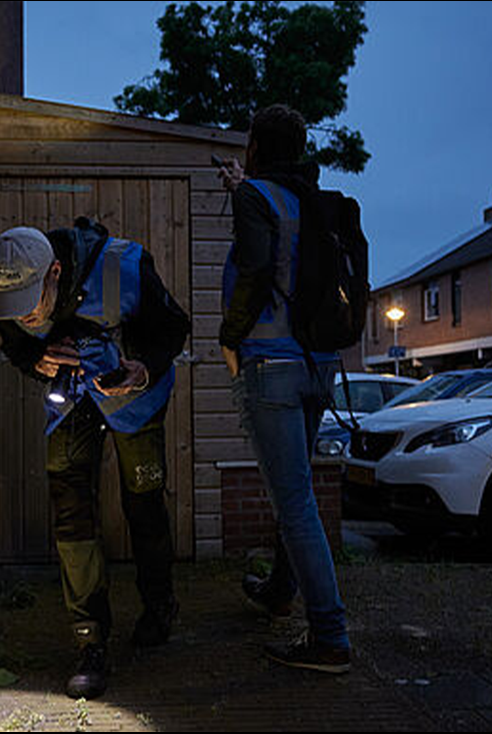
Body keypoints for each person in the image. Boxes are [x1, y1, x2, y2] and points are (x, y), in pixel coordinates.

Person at [0, 219, 190, 699]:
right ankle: (89, 641)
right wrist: (36, 361)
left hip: (135, 400)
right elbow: (15, 345)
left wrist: (141, 369)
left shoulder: (125, 264)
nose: (26, 317)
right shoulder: (10, 281)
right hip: (71, 405)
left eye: (33, 304)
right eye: (15, 309)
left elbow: (173, 327)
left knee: (144, 505)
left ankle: (160, 607)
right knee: (72, 517)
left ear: (55, 271)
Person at [217, 103, 351, 673]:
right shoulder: (311, 199)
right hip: (320, 364)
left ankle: (330, 638)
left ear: (254, 147)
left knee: (293, 501)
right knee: (296, 494)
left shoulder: (258, 198)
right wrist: (240, 190)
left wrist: (229, 337)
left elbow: (255, 268)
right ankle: (279, 589)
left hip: (271, 364)